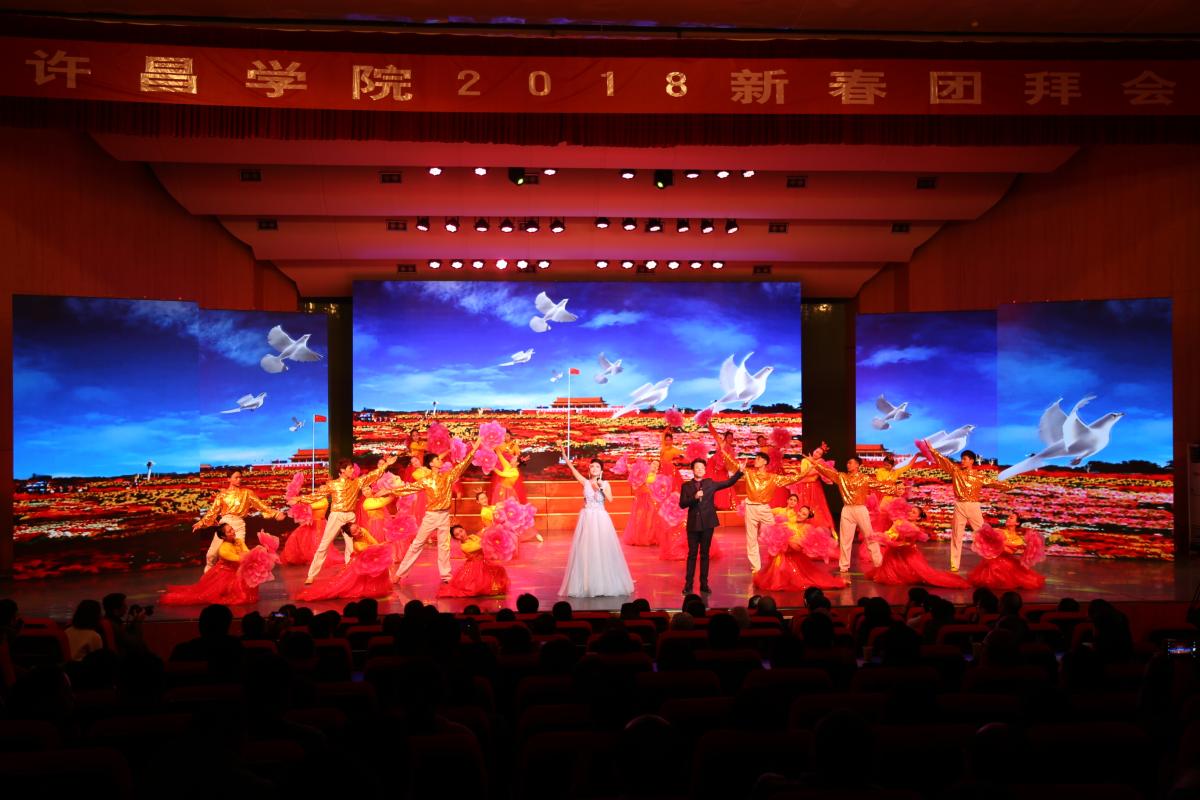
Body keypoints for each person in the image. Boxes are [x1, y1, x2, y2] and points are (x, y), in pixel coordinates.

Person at [391, 441, 481, 585]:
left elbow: (462, 466)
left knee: (444, 546)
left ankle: (446, 576)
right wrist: (388, 491)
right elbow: (408, 488)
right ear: (431, 464)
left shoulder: (447, 476)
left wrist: (473, 450)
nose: (441, 461)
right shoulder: (426, 480)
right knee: (417, 544)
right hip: (431, 516)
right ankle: (399, 574)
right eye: (438, 459)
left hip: (444, 515)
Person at [300, 456, 397, 584]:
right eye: (350, 468)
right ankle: (311, 575)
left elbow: (372, 475)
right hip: (336, 515)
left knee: (351, 546)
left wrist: (386, 465)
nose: (352, 470)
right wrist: (299, 499)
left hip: (350, 516)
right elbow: (317, 496)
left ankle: (349, 572)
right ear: (342, 470)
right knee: (324, 545)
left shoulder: (356, 482)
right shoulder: (333, 484)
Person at [916, 442, 1009, 572]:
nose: (962, 461)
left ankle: (992, 559)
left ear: (971, 461)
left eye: (965, 459)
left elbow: (993, 483)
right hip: (959, 505)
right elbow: (944, 462)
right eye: (962, 459)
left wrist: (1009, 486)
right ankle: (954, 565)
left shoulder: (979, 476)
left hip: (973, 506)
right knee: (956, 535)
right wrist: (933, 450)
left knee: (982, 534)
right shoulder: (956, 472)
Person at [716, 445, 806, 572]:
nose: (756, 461)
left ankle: (779, 562)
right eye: (756, 458)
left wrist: (806, 472)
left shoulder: (773, 477)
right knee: (751, 538)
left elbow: (792, 479)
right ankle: (756, 567)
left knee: (775, 535)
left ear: (765, 462)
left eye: (758, 459)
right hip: (750, 507)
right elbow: (734, 465)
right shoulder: (749, 473)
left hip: (764, 508)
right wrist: (723, 451)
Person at [558, 450, 635, 598]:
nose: (594, 469)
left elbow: (610, 499)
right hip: (587, 518)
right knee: (587, 550)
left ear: (601, 471)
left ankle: (604, 582)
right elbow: (572, 469)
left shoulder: (605, 483)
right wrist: (564, 454)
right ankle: (587, 583)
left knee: (602, 549)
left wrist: (600, 487)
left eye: (597, 467)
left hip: (600, 519)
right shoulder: (585, 482)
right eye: (592, 466)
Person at [804, 453, 884, 575]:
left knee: (870, 537)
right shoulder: (842, 477)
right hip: (847, 509)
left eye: (850, 463)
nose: (848, 465)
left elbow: (880, 485)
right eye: (847, 463)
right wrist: (814, 463)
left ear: (857, 465)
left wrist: (895, 489)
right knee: (845, 540)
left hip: (860, 509)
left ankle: (878, 563)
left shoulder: (865, 478)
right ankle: (844, 566)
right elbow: (828, 472)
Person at [162, 523, 279, 605]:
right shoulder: (223, 549)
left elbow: (246, 553)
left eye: (232, 529)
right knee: (206, 595)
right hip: (225, 573)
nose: (233, 532)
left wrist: (261, 553)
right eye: (229, 531)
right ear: (223, 536)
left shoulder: (238, 541)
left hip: (238, 570)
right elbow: (240, 559)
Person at [194, 470, 286, 572]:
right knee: (212, 554)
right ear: (229, 479)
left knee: (239, 554)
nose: (239, 479)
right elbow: (213, 511)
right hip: (225, 525)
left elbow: (261, 506)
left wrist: (276, 514)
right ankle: (208, 574)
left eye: (240, 477)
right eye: (236, 477)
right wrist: (201, 522)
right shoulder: (222, 495)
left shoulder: (247, 493)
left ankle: (235, 578)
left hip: (239, 524)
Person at [862, 505, 970, 589]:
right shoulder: (899, 522)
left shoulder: (914, 528)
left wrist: (898, 540)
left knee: (925, 574)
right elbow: (890, 534)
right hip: (895, 554)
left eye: (913, 512)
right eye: (910, 511)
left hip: (907, 554)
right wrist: (884, 537)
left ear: (918, 517)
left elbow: (908, 543)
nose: (910, 513)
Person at [678, 458, 743, 594]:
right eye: (697, 467)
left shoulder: (710, 483)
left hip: (707, 524)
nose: (700, 469)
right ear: (693, 470)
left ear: (705, 470)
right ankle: (688, 585)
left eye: (702, 467)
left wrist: (739, 472)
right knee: (692, 555)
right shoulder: (686, 486)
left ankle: (704, 584)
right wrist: (694, 497)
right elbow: (682, 504)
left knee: (705, 554)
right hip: (693, 525)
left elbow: (728, 483)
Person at [753, 504, 847, 592]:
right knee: (777, 562)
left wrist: (788, 541)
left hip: (794, 558)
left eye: (804, 514)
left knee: (800, 578)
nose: (800, 514)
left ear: (807, 517)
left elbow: (799, 548)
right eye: (800, 511)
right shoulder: (788, 523)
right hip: (782, 556)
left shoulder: (806, 528)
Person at [298, 522, 394, 601]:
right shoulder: (357, 545)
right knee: (346, 584)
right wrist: (382, 544)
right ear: (351, 535)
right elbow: (371, 548)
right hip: (361, 561)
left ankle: (374, 587)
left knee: (380, 564)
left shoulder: (363, 531)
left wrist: (380, 546)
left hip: (370, 557)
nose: (359, 531)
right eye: (355, 531)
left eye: (358, 528)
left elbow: (374, 543)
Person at [967, 514, 1046, 590]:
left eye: (1011, 518)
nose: (1008, 519)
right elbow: (987, 540)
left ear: (1017, 523)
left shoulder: (1018, 538)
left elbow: (1010, 551)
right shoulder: (999, 531)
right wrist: (1004, 544)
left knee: (1013, 572)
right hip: (995, 560)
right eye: (1008, 517)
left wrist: (1006, 545)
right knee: (994, 568)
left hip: (1006, 560)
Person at [438, 525, 510, 597]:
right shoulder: (464, 546)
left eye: (461, 531)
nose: (461, 534)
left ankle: (494, 588)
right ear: (456, 538)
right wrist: (488, 540)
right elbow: (480, 545)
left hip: (484, 561)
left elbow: (482, 541)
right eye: (457, 535)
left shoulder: (472, 537)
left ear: (464, 530)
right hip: (475, 565)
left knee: (499, 569)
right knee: (475, 584)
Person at [490, 446, 542, 543]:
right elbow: (501, 457)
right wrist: (497, 449)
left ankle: (531, 533)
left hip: (508, 493)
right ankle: (502, 534)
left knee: (512, 514)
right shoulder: (508, 466)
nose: (511, 460)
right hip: (501, 490)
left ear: (517, 463)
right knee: (499, 512)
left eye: (513, 459)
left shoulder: (515, 472)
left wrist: (494, 469)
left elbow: (502, 474)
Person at [622, 460, 661, 546]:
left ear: (658, 468)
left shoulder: (657, 477)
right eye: (654, 463)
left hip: (651, 499)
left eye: (657, 465)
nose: (655, 465)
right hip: (641, 498)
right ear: (650, 464)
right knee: (639, 517)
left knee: (649, 518)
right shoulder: (643, 473)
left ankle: (648, 537)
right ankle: (637, 537)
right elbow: (635, 479)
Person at [705, 426, 739, 511]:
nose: (730, 439)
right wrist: (709, 424)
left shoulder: (731, 450)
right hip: (715, 468)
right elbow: (715, 434)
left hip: (723, 470)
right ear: (725, 438)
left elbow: (731, 462)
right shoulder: (722, 443)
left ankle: (721, 504)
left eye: (732, 437)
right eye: (729, 437)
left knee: (724, 486)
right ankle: (713, 504)